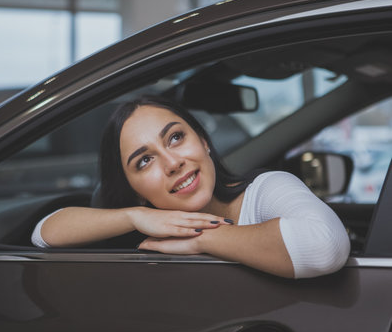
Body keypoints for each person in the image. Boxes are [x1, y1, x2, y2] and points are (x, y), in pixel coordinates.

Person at [32, 96, 350, 279]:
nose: (172, 162)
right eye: (144, 161)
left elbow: (324, 248)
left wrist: (201, 239)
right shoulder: (141, 235)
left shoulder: (265, 190)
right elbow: (44, 234)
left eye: (175, 138)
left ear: (204, 142)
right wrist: (132, 217)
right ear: (133, 188)